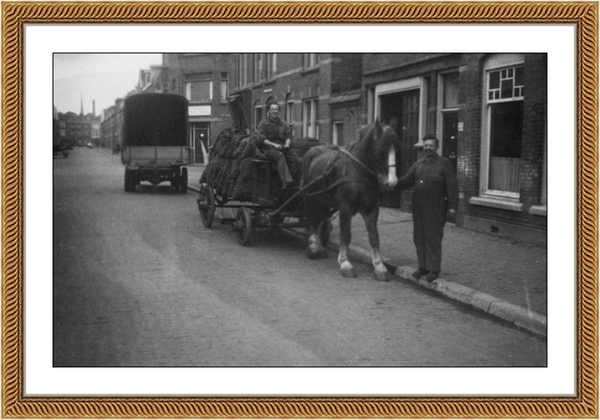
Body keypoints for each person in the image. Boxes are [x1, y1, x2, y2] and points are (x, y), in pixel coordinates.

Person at [397, 134, 459, 282]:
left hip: (436, 208)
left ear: (436, 147)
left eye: (431, 145)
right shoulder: (417, 164)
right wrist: (393, 183)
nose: (428, 148)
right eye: (426, 145)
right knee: (419, 237)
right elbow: (407, 181)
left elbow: (452, 186)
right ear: (422, 147)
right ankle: (422, 267)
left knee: (433, 238)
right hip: (419, 208)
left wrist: (453, 206)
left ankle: (434, 269)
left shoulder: (445, 163)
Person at [255, 103, 302, 189]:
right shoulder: (263, 124)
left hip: (283, 147)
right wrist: (274, 145)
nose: (274, 111)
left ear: (279, 111)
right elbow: (261, 139)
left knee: (298, 160)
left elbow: (288, 136)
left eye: (276, 110)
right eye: (272, 109)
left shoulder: (284, 124)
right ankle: (287, 182)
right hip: (268, 148)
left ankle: (296, 182)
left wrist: (287, 144)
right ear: (269, 111)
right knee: (280, 156)